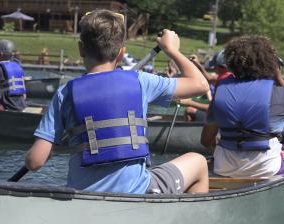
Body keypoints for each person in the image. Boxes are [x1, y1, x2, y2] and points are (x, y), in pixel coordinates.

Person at [24, 9, 210, 194]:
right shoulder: (140, 81)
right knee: (199, 162)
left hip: (82, 196)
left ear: (81, 49)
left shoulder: (65, 93)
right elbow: (201, 85)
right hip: (135, 193)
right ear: (121, 54)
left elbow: (35, 162)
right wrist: (172, 50)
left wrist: (40, 154)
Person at [201, 35, 284, 178]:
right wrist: (279, 79)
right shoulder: (275, 92)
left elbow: (206, 140)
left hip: (224, 167)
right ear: (268, 63)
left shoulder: (221, 90)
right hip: (266, 167)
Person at [180, 51, 233, 122]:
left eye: (215, 66)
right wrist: (197, 63)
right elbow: (209, 78)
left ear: (222, 66)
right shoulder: (228, 76)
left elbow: (213, 109)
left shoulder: (226, 84)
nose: (214, 68)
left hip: (226, 120)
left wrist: (189, 102)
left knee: (189, 110)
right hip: (226, 117)